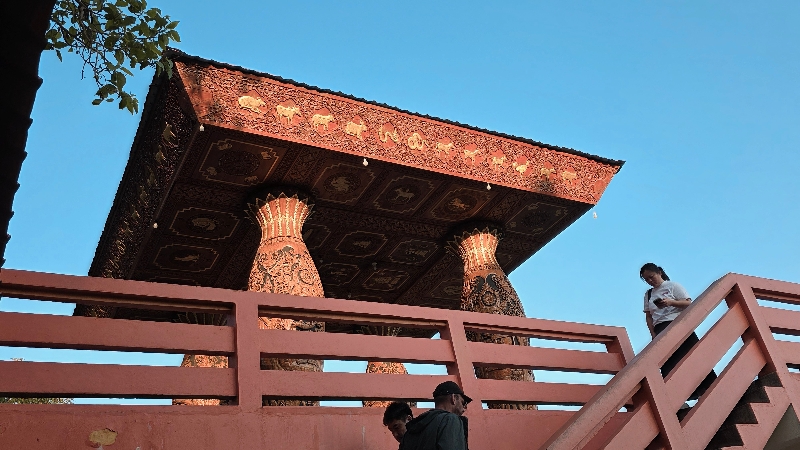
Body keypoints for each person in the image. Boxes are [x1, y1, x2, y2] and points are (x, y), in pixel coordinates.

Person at [640, 263, 716, 401]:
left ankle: (710, 389)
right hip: (660, 328)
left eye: (651, 277)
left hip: (678, 324)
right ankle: (679, 397)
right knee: (669, 362)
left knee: (693, 357)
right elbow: (648, 316)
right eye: (647, 280)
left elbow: (688, 303)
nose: (650, 281)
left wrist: (670, 302)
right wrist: (653, 335)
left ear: (659, 273)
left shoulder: (673, 286)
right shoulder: (648, 294)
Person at [400, 381, 470, 450]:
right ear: (453, 398)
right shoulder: (450, 420)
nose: (464, 408)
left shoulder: (412, 428)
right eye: (463, 402)